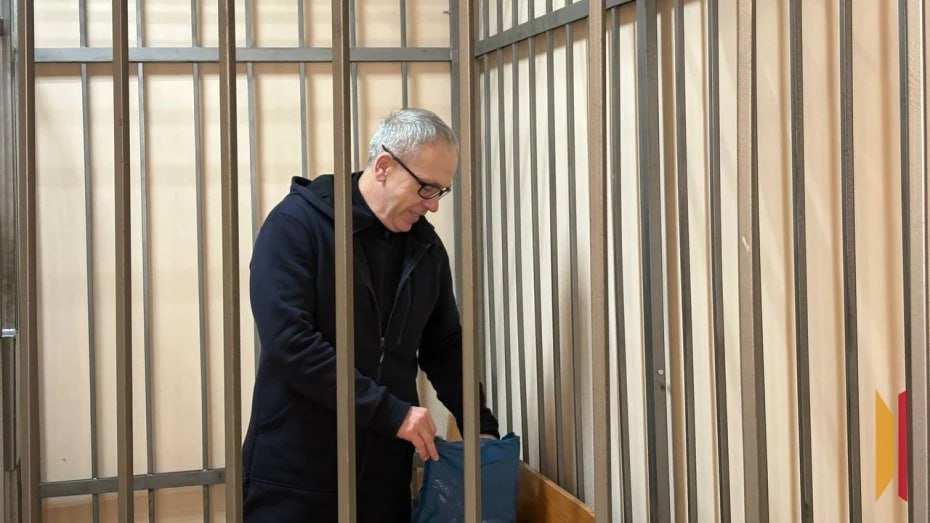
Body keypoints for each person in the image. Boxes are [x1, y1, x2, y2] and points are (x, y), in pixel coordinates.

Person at [242, 108, 500, 522]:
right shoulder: (295, 226)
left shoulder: (426, 248)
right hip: (295, 473)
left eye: (441, 192)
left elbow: (445, 346)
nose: (433, 206)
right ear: (383, 166)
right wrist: (392, 413)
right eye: (426, 188)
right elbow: (291, 343)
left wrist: (479, 425)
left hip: (384, 478)